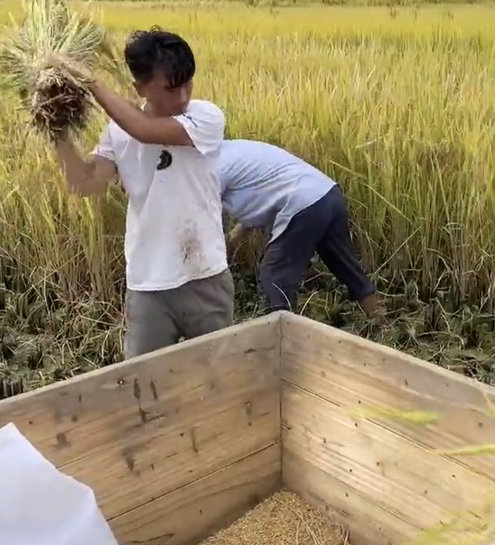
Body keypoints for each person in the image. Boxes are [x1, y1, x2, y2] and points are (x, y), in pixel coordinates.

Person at [51, 27, 233, 359]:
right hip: (148, 286)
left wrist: (91, 83)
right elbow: (85, 183)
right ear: (140, 88)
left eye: (187, 84)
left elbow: (146, 131)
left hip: (205, 277)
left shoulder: (205, 117)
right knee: (142, 387)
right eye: (171, 88)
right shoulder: (116, 133)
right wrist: (55, 129)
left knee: (216, 382)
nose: (182, 97)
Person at [219, 139, 379, 318]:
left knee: (275, 276)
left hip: (303, 205)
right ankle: (380, 322)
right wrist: (235, 237)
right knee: (346, 267)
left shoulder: (210, 167)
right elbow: (260, 187)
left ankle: (282, 335)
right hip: (328, 194)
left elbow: (206, 223)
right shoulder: (236, 149)